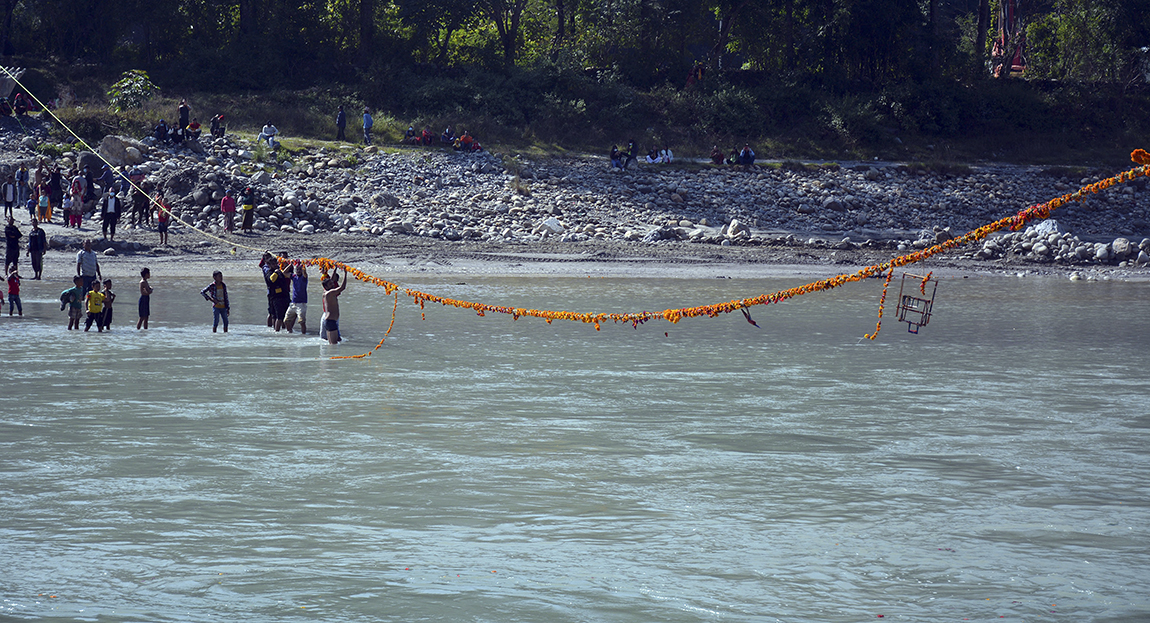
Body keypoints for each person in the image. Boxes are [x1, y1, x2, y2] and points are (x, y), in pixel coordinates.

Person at [263, 255, 291, 331]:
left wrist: (290, 265)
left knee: (286, 316)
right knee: (278, 316)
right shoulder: (269, 272)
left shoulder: (279, 271)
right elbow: (271, 280)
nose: (275, 265)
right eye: (273, 264)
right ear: (269, 265)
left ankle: (285, 330)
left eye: (276, 263)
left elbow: (286, 274)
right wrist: (275, 273)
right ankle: (276, 332)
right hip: (276, 297)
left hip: (285, 295)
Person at [322, 268, 347, 345]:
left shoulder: (326, 292)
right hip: (331, 321)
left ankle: (330, 356)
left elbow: (332, 280)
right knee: (334, 344)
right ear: (326, 286)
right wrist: (345, 274)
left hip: (330, 321)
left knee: (332, 344)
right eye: (330, 284)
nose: (333, 284)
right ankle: (333, 357)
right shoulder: (330, 293)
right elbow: (342, 288)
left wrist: (334, 270)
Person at [284, 263, 307, 334]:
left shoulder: (304, 278)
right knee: (286, 321)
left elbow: (305, 274)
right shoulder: (293, 276)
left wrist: (303, 267)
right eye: (297, 270)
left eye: (300, 269)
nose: (298, 271)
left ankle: (304, 335)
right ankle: (290, 333)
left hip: (301, 304)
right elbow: (284, 273)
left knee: (301, 322)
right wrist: (290, 265)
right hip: (293, 303)